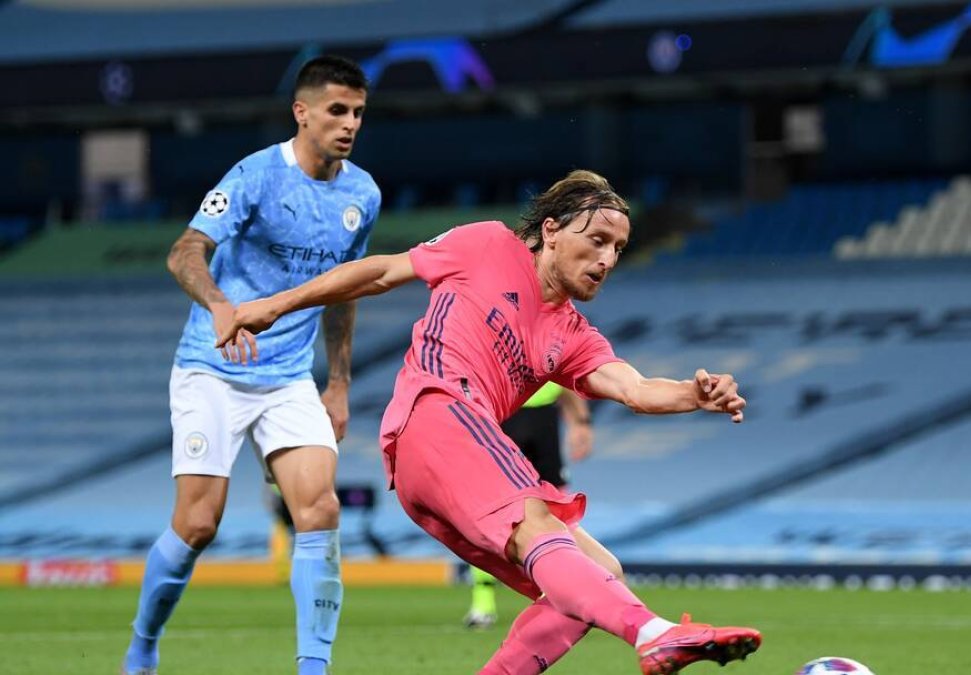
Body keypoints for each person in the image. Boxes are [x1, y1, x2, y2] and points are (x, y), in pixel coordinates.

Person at [219, 170, 761, 674]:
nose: (607, 258)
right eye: (596, 239)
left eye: (618, 248)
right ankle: (653, 631)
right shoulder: (486, 244)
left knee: (600, 578)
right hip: (434, 413)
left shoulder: (572, 334)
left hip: (442, 467)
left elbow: (635, 388)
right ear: (551, 230)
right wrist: (276, 305)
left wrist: (694, 394)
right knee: (544, 528)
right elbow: (383, 270)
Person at [121, 55, 381, 675]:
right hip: (212, 367)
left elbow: (341, 293)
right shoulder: (256, 175)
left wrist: (338, 383)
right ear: (303, 112)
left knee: (319, 509)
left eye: (359, 113)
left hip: (290, 377)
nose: (349, 124)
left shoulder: (362, 195)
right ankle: (142, 646)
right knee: (198, 524)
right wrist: (218, 304)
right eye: (337, 111)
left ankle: (312, 668)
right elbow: (185, 251)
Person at [463, 382, 593, 630]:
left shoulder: (549, 345)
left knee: (557, 509)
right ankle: (483, 602)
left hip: (544, 418)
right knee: (488, 510)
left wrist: (581, 421)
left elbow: (563, 374)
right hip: (502, 415)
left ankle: (568, 595)